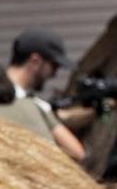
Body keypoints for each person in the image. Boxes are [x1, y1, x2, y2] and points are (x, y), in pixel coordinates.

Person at [5, 29, 87, 162]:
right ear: (35, 61)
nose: (54, 74)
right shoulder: (33, 105)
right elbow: (77, 153)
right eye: (54, 66)